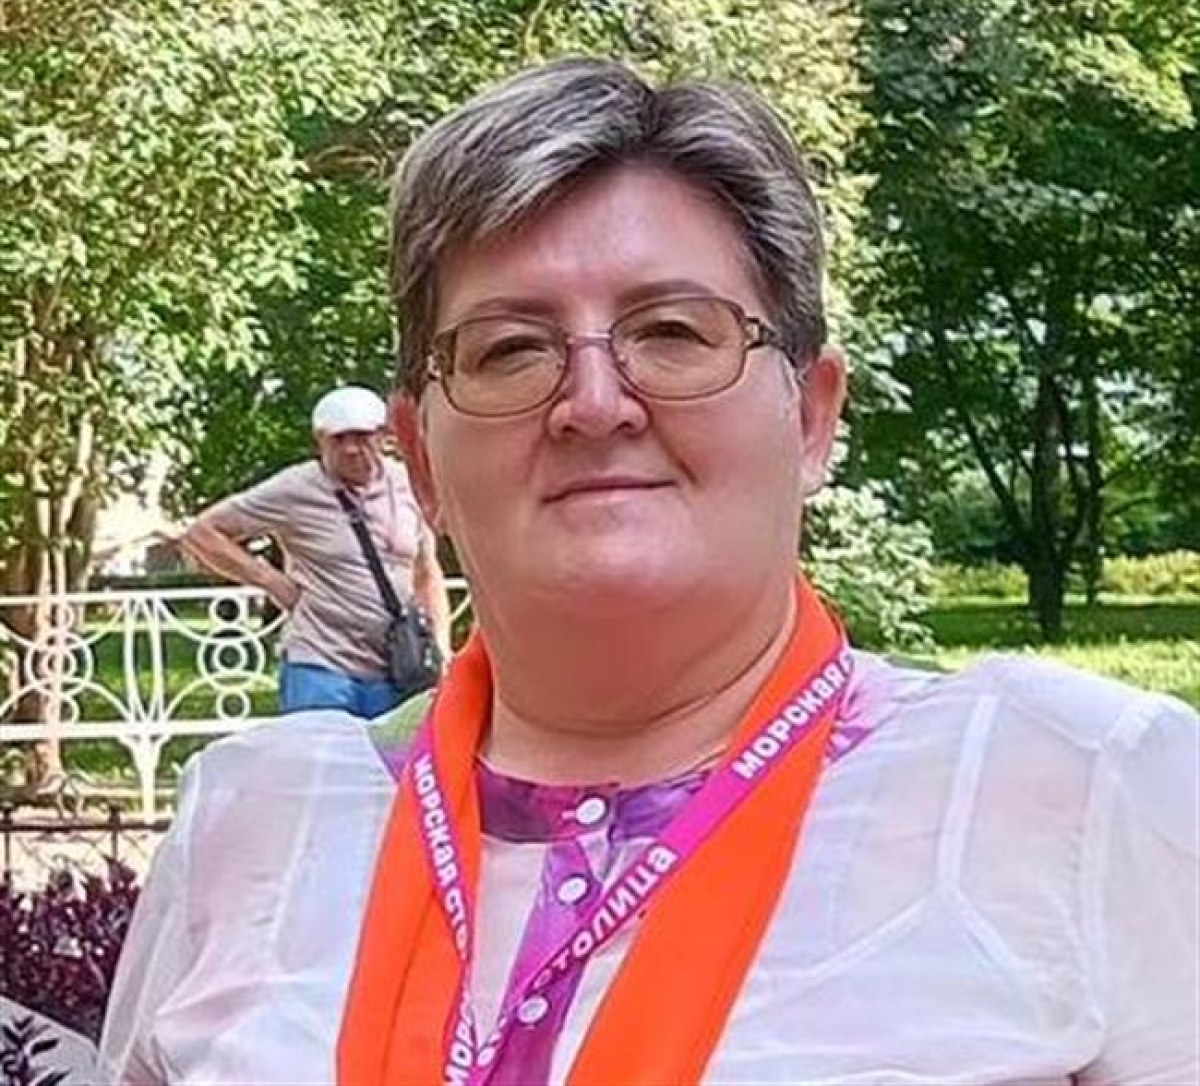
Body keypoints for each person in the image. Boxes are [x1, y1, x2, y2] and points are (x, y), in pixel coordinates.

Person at [100, 59, 1198, 1085]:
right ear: (422, 459)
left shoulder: (1077, 787)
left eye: (673, 332)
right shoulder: (257, 821)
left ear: (811, 419)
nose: (593, 404)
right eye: (510, 349)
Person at [180, 384, 451, 720]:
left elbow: (426, 574)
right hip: (320, 665)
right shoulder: (294, 489)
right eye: (338, 439)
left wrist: (439, 646)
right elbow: (202, 533)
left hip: (396, 669)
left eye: (361, 436)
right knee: (318, 753)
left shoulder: (407, 484)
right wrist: (272, 582)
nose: (350, 449)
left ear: (383, 436)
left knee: (394, 755)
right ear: (319, 441)